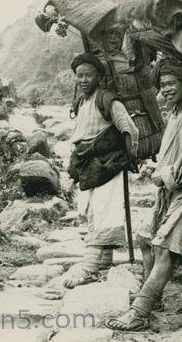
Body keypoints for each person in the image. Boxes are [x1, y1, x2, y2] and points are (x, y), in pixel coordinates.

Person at [106, 60, 182, 331]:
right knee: (145, 238)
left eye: (171, 83)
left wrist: (163, 174)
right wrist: (158, 170)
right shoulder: (176, 114)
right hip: (171, 191)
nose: (166, 89)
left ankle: (140, 311)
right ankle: (153, 299)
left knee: (165, 246)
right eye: (163, 84)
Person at [62, 52, 139, 288]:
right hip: (90, 165)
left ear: (99, 76)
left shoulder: (107, 100)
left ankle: (88, 269)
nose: (84, 80)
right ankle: (104, 265)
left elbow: (130, 129)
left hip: (108, 163)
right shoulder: (81, 102)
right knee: (95, 213)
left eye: (89, 75)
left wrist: (129, 156)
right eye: (79, 75)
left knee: (105, 213)